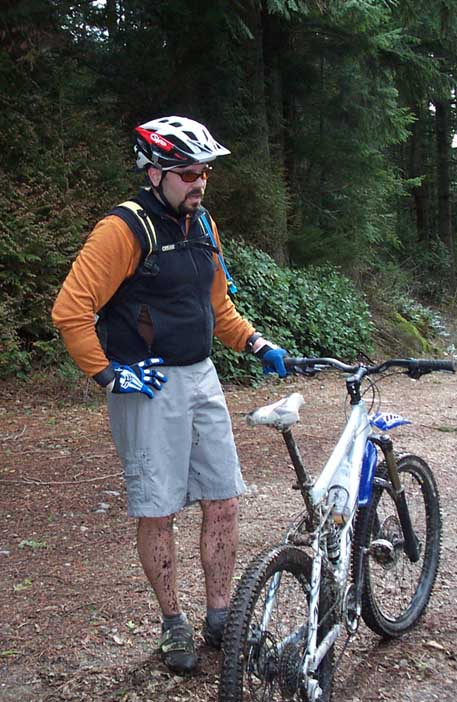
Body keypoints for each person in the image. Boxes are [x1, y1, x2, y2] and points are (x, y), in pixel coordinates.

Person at [51, 116, 288, 675]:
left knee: (224, 499)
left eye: (203, 172)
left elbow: (217, 305)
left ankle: (221, 616)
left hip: (202, 375)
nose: (199, 182)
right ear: (154, 173)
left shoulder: (202, 223)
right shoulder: (123, 230)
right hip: (149, 384)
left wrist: (255, 343)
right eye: (188, 173)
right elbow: (71, 309)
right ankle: (173, 623)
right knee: (158, 509)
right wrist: (108, 374)